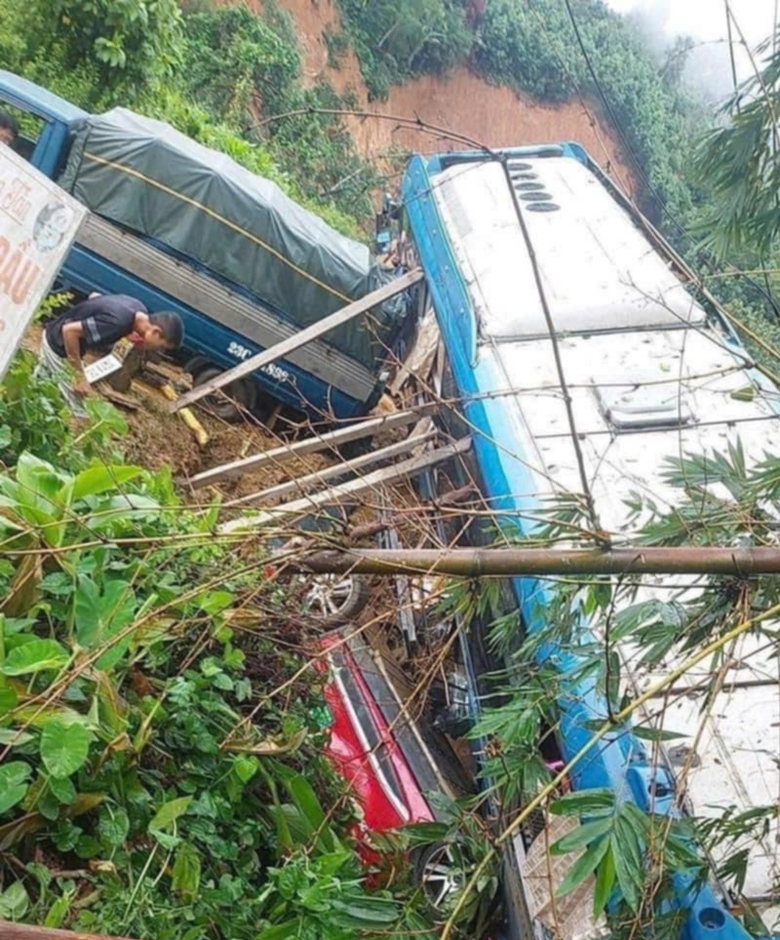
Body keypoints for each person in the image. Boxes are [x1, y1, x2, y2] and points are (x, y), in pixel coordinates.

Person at [39, 293, 184, 412]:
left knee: (40, 390)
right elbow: (69, 331)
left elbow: (95, 297)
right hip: (57, 346)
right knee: (74, 410)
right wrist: (79, 375)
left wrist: (124, 333)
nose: (157, 350)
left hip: (58, 339)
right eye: (161, 346)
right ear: (156, 332)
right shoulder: (117, 322)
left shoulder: (137, 307)